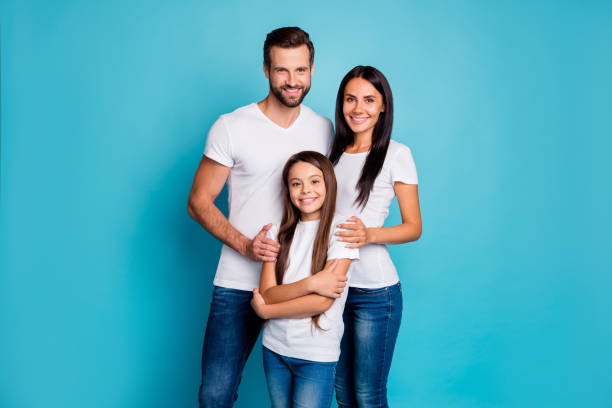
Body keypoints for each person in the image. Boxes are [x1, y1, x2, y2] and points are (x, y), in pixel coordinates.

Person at [187, 28, 343, 408]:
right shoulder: (231, 126)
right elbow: (199, 202)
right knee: (215, 395)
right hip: (240, 282)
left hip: (301, 284)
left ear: (312, 69)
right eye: (282, 71)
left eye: (301, 70)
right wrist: (245, 244)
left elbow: (335, 197)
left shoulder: (323, 128)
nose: (293, 81)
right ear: (266, 69)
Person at [330, 66, 422, 408]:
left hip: (375, 294)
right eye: (351, 99)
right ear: (341, 104)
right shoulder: (333, 154)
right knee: (342, 389)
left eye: (369, 100)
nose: (359, 108)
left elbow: (413, 226)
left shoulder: (397, 154)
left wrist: (369, 234)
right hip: (333, 289)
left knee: (368, 395)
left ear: (383, 106)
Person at [250, 151, 359, 408]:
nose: (305, 190)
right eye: (295, 183)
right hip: (275, 348)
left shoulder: (342, 230)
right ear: (288, 190)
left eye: (314, 181)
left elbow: (321, 303)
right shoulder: (277, 230)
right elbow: (268, 292)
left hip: (315, 354)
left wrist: (267, 310)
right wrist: (311, 283)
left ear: (328, 184)